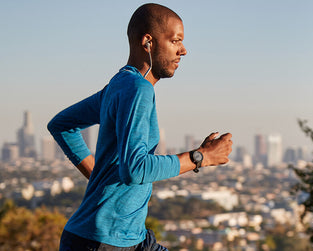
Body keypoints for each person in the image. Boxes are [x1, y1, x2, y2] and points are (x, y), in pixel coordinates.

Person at [48, 3, 233, 250]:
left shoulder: (119, 85)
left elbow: (62, 125)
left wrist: (99, 178)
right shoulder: (137, 89)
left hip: (130, 237)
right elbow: (135, 169)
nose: (184, 50)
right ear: (148, 42)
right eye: (176, 41)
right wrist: (201, 157)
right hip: (103, 242)